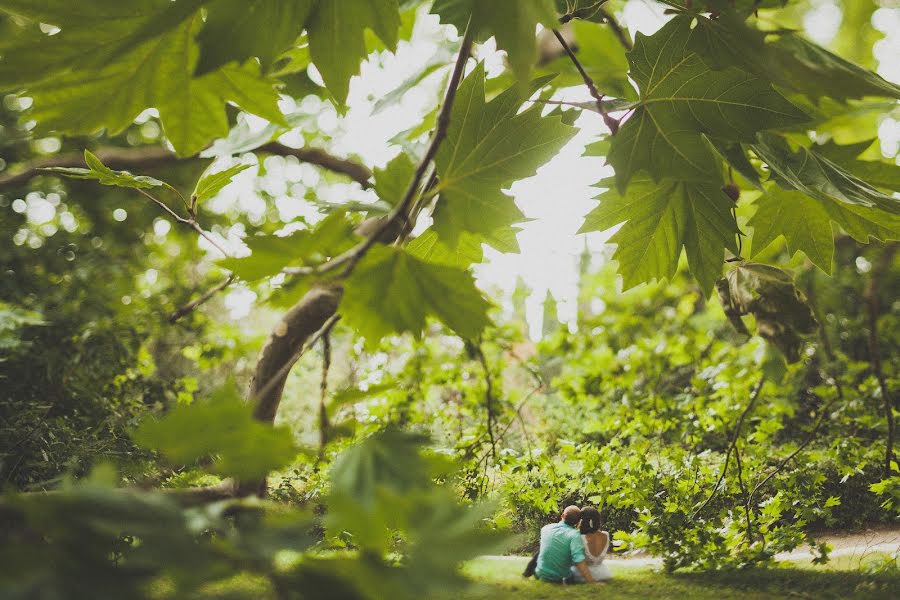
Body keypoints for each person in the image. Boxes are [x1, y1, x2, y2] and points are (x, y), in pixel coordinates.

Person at [532, 505, 596, 584]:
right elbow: (579, 560)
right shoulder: (574, 535)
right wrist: (592, 582)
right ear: (578, 521)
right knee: (574, 572)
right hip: (558, 579)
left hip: (539, 574)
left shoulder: (546, 528)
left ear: (562, 516)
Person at [570, 506, 612, 582]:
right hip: (603, 573)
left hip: (582, 575)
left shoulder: (579, 537)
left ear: (582, 520)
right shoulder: (606, 535)